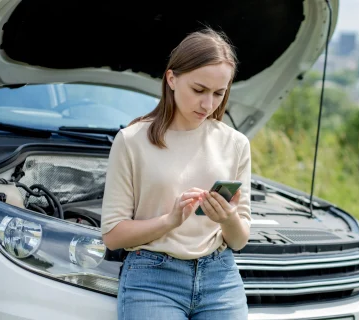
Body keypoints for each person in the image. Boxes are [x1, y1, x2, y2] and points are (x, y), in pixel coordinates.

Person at [101, 28, 251, 320]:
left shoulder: (236, 144)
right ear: (171, 79)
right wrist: (170, 221)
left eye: (219, 94)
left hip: (220, 279)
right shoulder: (131, 140)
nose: (208, 105)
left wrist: (227, 217)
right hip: (151, 280)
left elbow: (239, 240)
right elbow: (112, 235)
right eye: (199, 90)